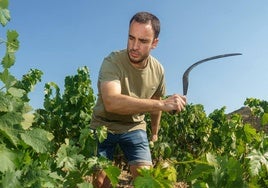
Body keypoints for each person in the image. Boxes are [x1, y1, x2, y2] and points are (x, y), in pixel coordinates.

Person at [90, 11, 186, 187]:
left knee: (147, 181)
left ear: (154, 43)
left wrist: (155, 132)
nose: (134, 46)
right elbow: (111, 102)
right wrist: (162, 104)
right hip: (104, 125)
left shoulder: (158, 70)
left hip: (134, 127)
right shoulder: (112, 61)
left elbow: (157, 104)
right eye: (131, 38)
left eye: (142, 41)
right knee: (102, 183)